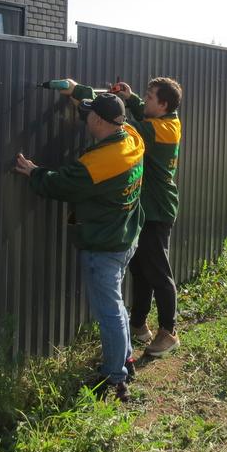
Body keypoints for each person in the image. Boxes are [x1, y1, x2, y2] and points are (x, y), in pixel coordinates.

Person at [14, 93, 145, 401]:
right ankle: (125, 358)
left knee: (109, 312)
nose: (84, 118)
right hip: (126, 237)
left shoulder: (100, 163)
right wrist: (78, 92)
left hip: (104, 245)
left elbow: (63, 183)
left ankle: (114, 376)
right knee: (116, 305)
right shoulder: (132, 137)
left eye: (88, 115)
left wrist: (34, 172)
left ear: (98, 120)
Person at [92, 78, 184, 357]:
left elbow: (125, 126)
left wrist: (91, 102)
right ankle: (139, 324)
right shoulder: (165, 120)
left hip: (157, 211)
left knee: (159, 272)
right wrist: (131, 98)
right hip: (147, 209)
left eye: (150, 96)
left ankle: (169, 332)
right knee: (140, 270)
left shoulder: (161, 129)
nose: (145, 99)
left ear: (163, 105)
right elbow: (142, 110)